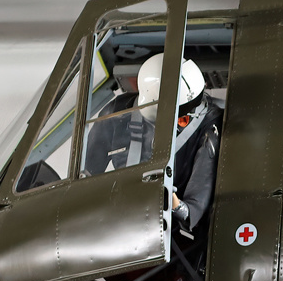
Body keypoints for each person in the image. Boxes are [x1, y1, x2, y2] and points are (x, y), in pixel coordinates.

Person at [83, 54, 222, 234]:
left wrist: (171, 202)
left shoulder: (209, 128)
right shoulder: (116, 114)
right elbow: (86, 176)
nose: (186, 121)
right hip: (117, 222)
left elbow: (192, 210)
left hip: (166, 230)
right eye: (181, 117)